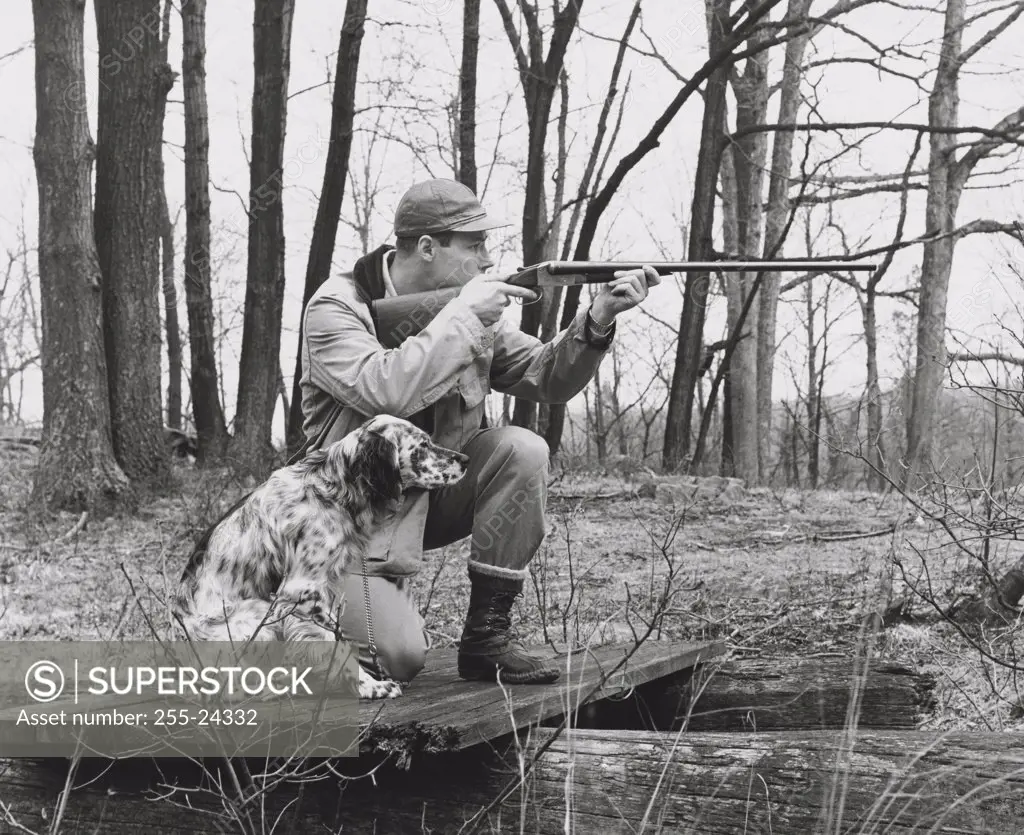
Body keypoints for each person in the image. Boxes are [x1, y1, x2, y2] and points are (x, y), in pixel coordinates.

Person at [299, 178, 659, 686]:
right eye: (475, 245)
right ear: (427, 247)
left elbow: (545, 376)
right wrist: (465, 317)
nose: (489, 259)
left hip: (425, 503)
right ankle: (289, 620)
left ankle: (486, 640)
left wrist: (597, 319)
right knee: (399, 658)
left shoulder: (464, 312)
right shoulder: (336, 308)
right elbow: (387, 392)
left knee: (523, 450)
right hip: (344, 529)